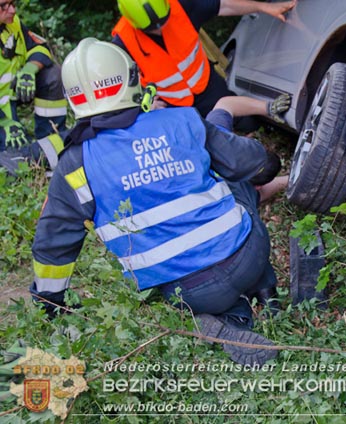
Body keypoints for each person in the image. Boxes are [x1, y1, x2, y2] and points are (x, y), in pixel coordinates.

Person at [30, 38, 282, 366]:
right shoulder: (181, 121)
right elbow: (253, 166)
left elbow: (53, 243)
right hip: (249, 256)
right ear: (132, 79)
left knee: (207, 287)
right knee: (235, 178)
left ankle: (229, 322)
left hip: (184, 290)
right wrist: (271, 164)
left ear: (72, 98)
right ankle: (267, 292)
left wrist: (50, 303)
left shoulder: (75, 163)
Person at [112, 0, 296, 121]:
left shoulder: (181, 6)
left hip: (206, 86)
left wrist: (265, 7)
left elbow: (224, 6)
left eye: (164, 21)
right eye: (152, 29)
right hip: (171, 106)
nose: (160, 30)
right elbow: (121, 87)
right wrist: (146, 103)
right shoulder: (123, 42)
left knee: (245, 123)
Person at [0, 0, 67, 166]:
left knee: (52, 75)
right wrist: (5, 121)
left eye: (13, 3)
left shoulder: (12, 23)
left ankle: (51, 135)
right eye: (4, 6)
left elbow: (41, 48)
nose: (13, 10)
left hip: (14, 92)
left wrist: (29, 70)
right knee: (14, 155)